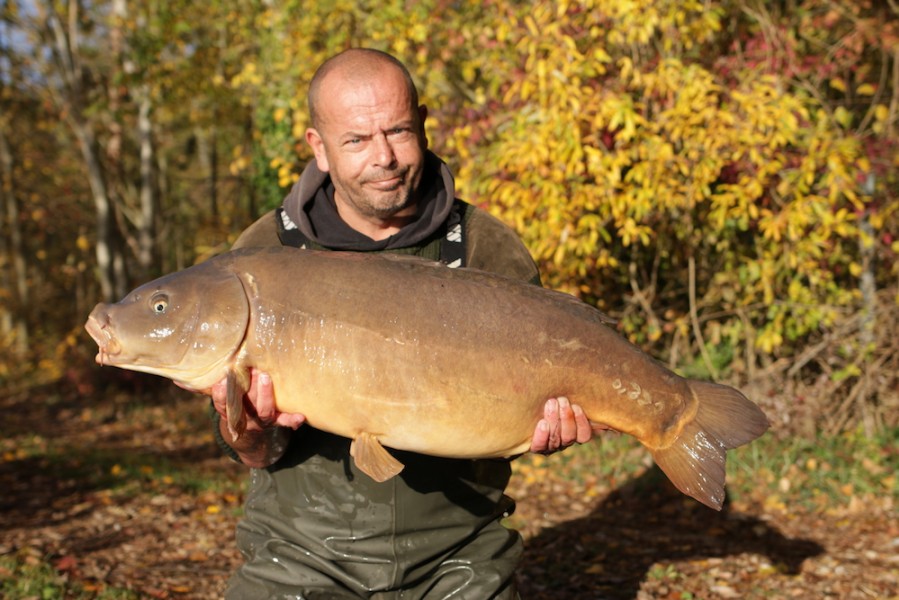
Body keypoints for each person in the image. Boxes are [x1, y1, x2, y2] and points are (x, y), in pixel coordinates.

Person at [209, 48, 595, 599]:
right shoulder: (264, 255)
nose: (384, 157)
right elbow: (248, 449)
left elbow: (537, 403)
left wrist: (552, 426)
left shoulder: (487, 246)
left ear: (423, 125)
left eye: (398, 131)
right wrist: (249, 436)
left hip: (460, 556)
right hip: (298, 556)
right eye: (357, 140)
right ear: (318, 148)